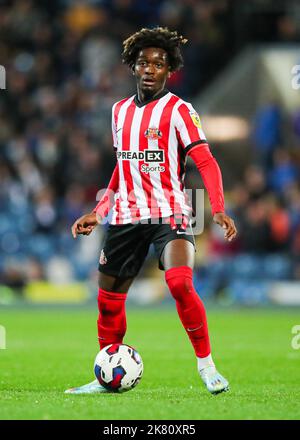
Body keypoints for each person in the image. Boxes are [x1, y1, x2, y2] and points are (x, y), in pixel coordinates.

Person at [65, 27, 237, 395]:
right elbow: (122, 166)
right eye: (143, 62)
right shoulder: (119, 111)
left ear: (169, 69)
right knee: (108, 302)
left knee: (178, 283)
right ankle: (105, 375)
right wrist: (99, 210)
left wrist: (219, 208)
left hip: (171, 212)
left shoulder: (179, 110)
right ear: (133, 66)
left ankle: (207, 366)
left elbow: (205, 162)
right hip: (126, 215)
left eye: (158, 64)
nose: (149, 69)